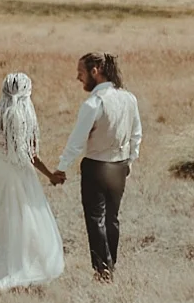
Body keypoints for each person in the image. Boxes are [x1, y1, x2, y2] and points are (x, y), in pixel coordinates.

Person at [0, 72, 65, 291]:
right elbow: (32, 156)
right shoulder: (28, 119)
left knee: (0, 225)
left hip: (0, 178)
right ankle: (26, 264)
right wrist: (50, 175)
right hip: (23, 178)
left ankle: (2, 266)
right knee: (27, 223)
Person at [53, 52, 142, 283]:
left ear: (95, 71)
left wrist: (62, 168)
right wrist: (130, 160)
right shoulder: (129, 98)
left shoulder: (94, 103)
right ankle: (111, 265)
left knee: (96, 219)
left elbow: (77, 140)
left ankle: (103, 270)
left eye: (81, 73)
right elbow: (136, 133)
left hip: (96, 166)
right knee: (112, 218)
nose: (78, 78)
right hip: (120, 165)